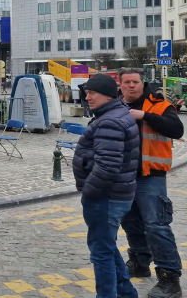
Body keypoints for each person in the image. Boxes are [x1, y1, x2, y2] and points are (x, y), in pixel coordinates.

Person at [73, 74, 140, 298]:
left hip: (106, 197)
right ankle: (127, 294)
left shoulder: (109, 120)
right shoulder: (116, 113)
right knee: (108, 248)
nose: (87, 97)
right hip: (116, 194)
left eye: (91, 93)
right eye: (86, 92)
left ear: (106, 94)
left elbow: (107, 167)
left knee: (101, 253)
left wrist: (89, 193)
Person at [118, 68, 183, 298]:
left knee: (156, 226)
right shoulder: (115, 106)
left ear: (141, 83)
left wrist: (144, 116)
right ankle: (139, 261)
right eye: (127, 82)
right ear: (121, 85)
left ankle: (169, 278)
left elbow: (177, 129)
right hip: (123, 176)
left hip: (151, 175)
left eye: (135, 81)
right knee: (130, 222)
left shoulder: (159, 105)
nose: (131, 86)